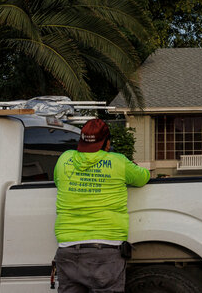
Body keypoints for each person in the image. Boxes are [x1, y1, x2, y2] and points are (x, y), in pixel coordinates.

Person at [53, 119, 150, 293]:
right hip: (105, 251)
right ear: (107, 142)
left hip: (67, 250)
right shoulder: (118, 161)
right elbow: (142, 177)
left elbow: (58, 181)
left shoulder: (64, 159)